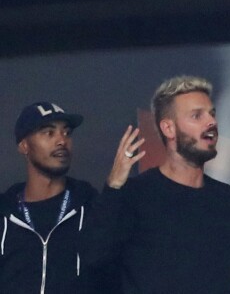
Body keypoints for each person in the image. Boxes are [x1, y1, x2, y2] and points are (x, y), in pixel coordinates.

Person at [98, 76, 230, 294]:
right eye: (197, 115)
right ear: (169, 128)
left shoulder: (227, 201)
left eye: (212, 113)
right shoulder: (135, 194)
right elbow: (95, 256)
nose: (211, 122)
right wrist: (113, 187)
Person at [0, 101, 143, 294]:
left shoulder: (91, 207)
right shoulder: (5, 213)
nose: (61, 140)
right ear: (24, 145)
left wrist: (113, 186)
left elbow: (110, 263)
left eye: (66, 133)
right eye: (49, 133)